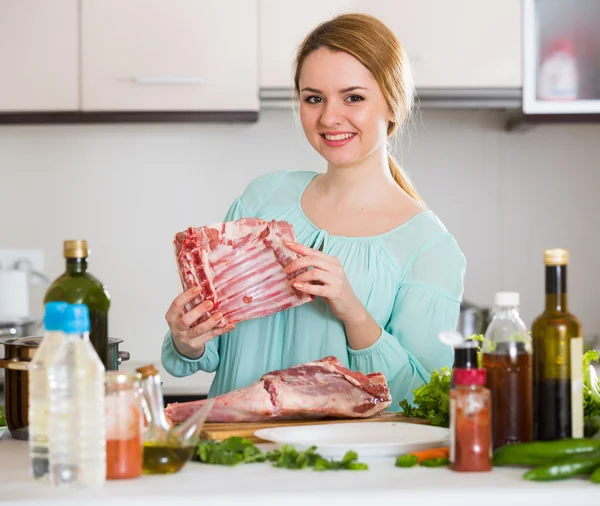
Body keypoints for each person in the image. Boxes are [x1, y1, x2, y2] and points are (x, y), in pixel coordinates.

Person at [161, 13, 466, 409]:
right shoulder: (263, 198)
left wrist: (353, 312)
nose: (328, 117)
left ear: (393, 104)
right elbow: (210, 347)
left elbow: (424, 399)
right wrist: (188, 339)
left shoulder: (429, 247)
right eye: (314, 98)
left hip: (341, 467)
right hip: (234, 456)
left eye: (353, 97)